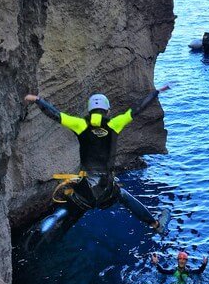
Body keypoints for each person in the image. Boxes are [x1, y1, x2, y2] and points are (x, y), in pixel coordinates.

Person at [22, 84, 172, 249]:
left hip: (84, 187)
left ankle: (44, 234)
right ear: (107, 111)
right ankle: (156, 225)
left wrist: (38, 100)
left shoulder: (80, 124)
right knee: (124, 197)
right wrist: (156, 92)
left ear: (90, 111)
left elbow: (56, 115)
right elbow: (138, 108)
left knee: (67, 211)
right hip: (106, 188)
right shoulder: (115, 123)